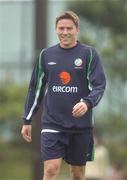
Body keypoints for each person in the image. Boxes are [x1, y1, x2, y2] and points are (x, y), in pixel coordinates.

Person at [21, 11, 106, 180]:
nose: (65, 32)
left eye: (69, 28)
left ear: (77, 30)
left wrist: (87, 103)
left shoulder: (89, 54)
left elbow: (99, 85)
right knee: (51, 169)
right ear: (56, 29)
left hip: (80, 126)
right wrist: (27, 120)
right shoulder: (46, 55)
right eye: (61, 28)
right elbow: (35, 88)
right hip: (53, 123)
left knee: (77, 174)